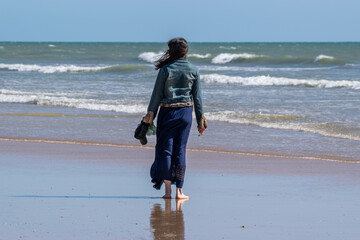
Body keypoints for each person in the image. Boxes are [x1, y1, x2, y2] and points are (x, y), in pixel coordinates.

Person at [142, 37, 207, 199]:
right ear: (186, 51)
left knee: (166, 150)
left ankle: (168, 192)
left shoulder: (166, 70)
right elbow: (197, 98)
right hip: (185, 114)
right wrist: (201, 121)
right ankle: (180, 191)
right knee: (180, 150)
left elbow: (156, 95)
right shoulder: (194, 70)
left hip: (167, 113)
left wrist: (150, 116)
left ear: (172, 52)